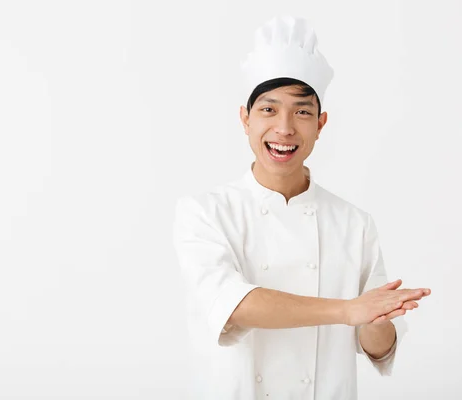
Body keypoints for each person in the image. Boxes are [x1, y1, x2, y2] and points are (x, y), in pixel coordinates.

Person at [172, 15, 431, 399]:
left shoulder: (354, 223)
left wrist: (377, 319)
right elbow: (236, 305)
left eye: (302, 112)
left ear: (321, 124)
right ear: (245, 119)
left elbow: (376, 345)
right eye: (269, 110)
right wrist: (348, 311)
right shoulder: (204, 213)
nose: (285, 128)